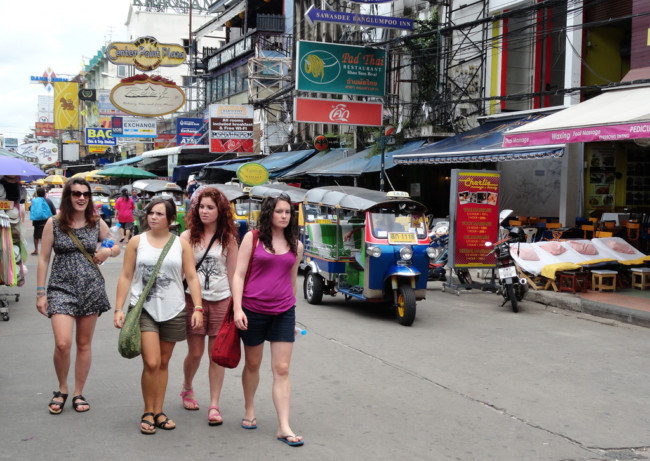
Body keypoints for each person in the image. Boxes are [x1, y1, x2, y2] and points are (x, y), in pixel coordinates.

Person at [114, 197, 204, 435]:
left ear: (171, 219)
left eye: (159, 214)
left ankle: (158, 410)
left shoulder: (180, 245)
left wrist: (197, 307)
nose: (153, 217)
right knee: (151, 362)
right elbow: (126, 275)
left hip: (173, 310)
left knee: (163, 363)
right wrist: (119, 308)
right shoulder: (136, 242)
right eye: (151, 213)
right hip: (143, 309)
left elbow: (192, 277)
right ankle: (147, 410)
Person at [36, 178, 121, 415]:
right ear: (68, 196)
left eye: (85, 194)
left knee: (84, 344)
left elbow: (115, 245)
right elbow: (43, 258)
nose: (81, 197)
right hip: (60, 288)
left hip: (91, 288)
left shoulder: (96, 223)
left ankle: (78, 392)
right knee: (63, 343)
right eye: (76, 193)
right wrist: (40, 293)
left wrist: (106, 251)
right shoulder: (53, 223)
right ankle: (62, 388)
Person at [232, 193, 305, 447]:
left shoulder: (296, 244)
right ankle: (249, 408)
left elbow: (292, 280)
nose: (284, 216)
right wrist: (237, 309)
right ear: (269, 213)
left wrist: (292, 311)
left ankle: (284, 426)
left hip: (283, 311)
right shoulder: (252, 239)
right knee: (252, 364)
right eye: (279, 211)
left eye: (288, 212)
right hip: (252, 310)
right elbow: (239, 275)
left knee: (282, 369)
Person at [179, 187, 239, 426]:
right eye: (201, 207)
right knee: (195, 353)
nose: (204, 211)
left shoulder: (229, 239)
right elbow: (181, 272)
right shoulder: (186, 237)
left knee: (217, 356)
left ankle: (214, 404)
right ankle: (187, 386)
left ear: (220, 211)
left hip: (222, 300)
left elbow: (234, 274)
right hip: (193, 301)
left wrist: (237, 306)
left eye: (210, 207)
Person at [30, 187, 53, 255]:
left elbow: (31, 209)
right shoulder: (48, 201)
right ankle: (45, 250)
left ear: (37, 193)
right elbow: (53, 211)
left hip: (37, 222)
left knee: (36, 236)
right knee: (45, 236)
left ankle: (36, 250)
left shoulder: (35, 201)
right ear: (44, 194)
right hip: (46, 222)